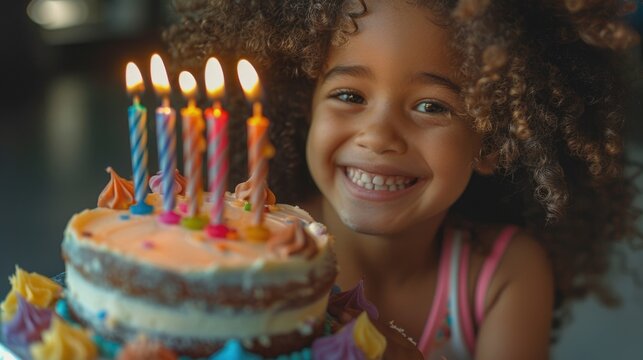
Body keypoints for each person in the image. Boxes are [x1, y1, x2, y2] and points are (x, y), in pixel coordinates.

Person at [166, 0, 641, 359]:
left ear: (493, 141)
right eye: (350, 94)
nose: (378, 136)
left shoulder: (504, 274)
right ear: (303, 107)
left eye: (431, 106)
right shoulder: (256, 249)